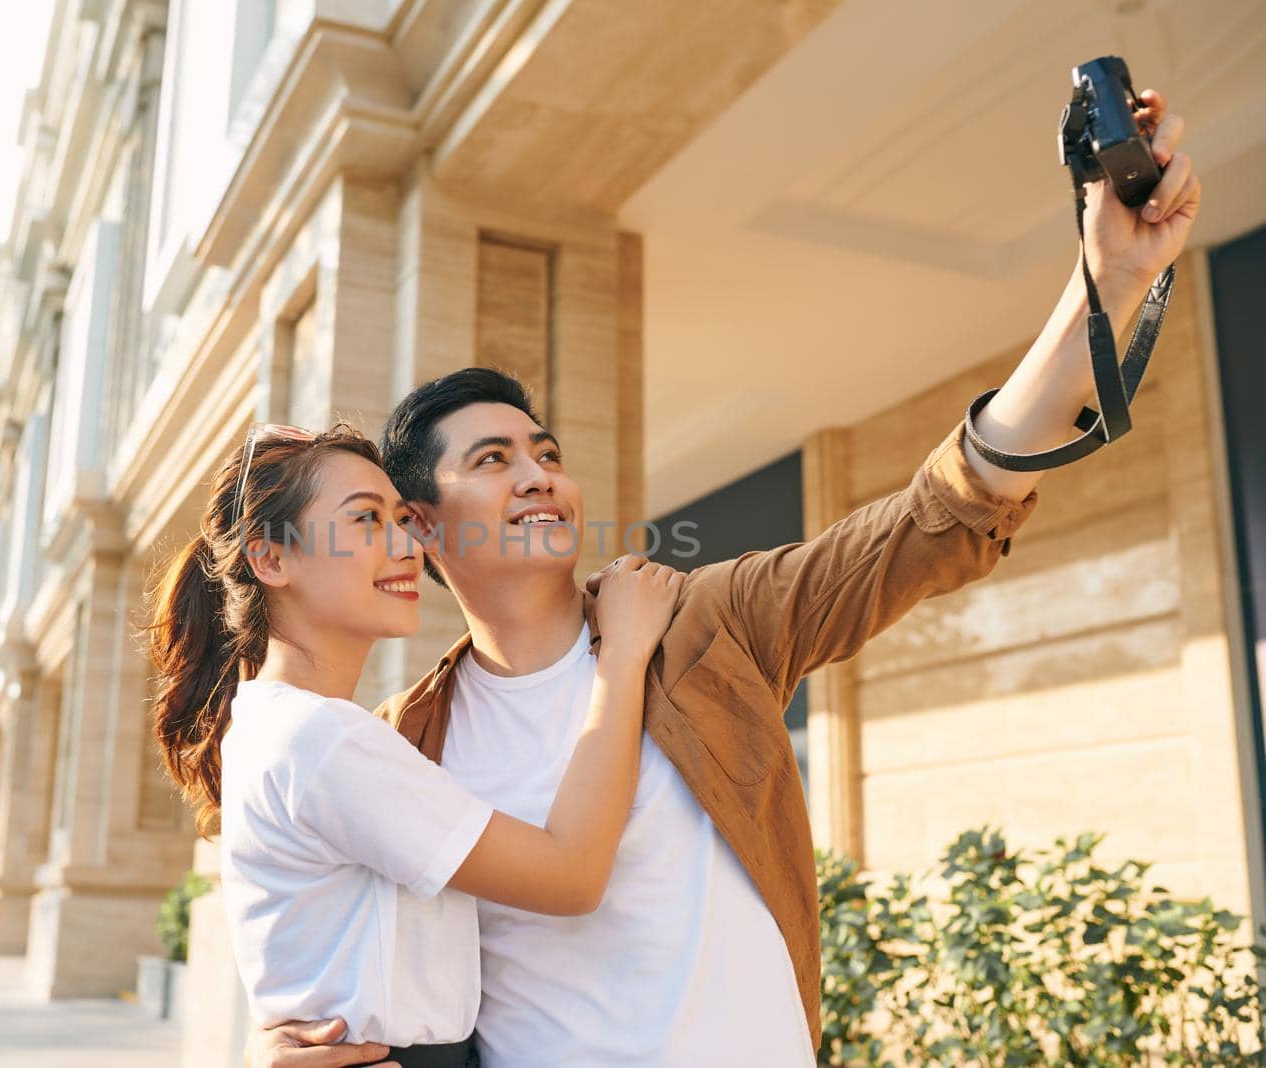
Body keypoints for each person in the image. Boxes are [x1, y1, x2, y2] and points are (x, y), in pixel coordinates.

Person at [246, 90, 1200, 1066]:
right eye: (491, 461)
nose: (538, 473)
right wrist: (290, 1049)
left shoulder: (705, 626)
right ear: (422, 524)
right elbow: (342, 959)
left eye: (545, 451)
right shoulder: (407, 739)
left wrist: (1108, 282)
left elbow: (933, 519)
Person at [148, 423, 684, 1067]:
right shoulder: (321, 740)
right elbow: (570, 876)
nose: (405, 546)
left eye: (402, 520)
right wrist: (622, 655)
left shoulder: (277, 728)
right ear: (272, 559)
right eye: (367, 521)